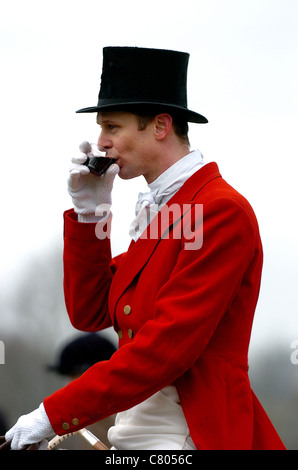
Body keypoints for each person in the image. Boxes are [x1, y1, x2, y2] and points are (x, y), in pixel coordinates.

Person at [3, 46, 286, 450]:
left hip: (191, 436)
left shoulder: (219, 210)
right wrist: (91, 215)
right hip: (136, 434)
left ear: (159, 126)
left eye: (112, 127)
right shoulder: (161, 209)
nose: (100, 143)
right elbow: (90, 311)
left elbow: (164, 350)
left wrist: (52, 415)